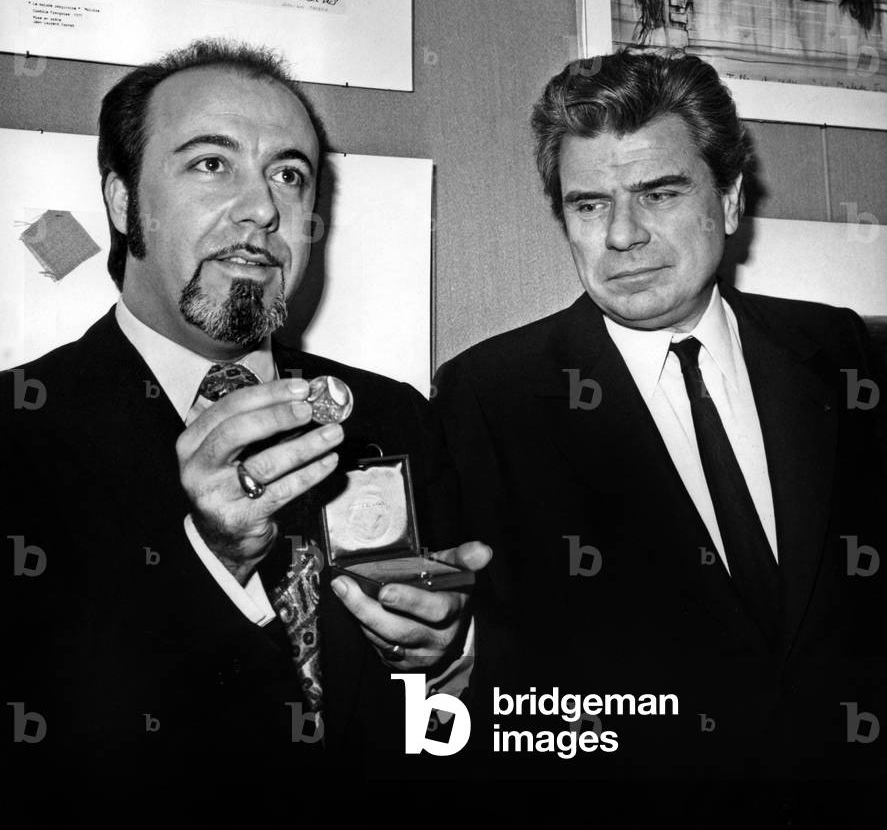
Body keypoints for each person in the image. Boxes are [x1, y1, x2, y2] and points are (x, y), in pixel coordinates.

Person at [4, 39, 488, 797]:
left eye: (288, 175)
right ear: (124, 202)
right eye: (210, 163)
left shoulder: (396, 416)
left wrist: (446, 658)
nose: (263, 208)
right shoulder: (17, 432)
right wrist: (214, 562)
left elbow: (448, 745)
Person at [433, 50, 885, 802]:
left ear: (730, 201)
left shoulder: (839, 349)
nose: (621, 235)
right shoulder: (487, 398)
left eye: (659, 193)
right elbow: (482, 691)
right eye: (589, 205)